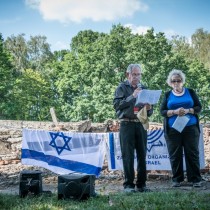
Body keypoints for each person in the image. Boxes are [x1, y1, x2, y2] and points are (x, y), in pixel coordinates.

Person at [113, 64, 153, 193]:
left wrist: (149, 108)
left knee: (142, 154)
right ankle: (129, 185)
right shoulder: (121, 88)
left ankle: (141, 185)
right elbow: (117, 105)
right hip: (126, 124)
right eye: (134, 74)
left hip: (141, 123)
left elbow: (150, 113)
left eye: (139, 74)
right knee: (128, 155)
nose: (137, 77)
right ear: (127, 74)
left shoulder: (144, 89)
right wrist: (133, 96)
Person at [160, 69, 202, 188]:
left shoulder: (190, 92)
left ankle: (195, 179)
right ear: (170, 82)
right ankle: (177, 179)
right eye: (174, 81)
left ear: (182, 81)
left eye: (178, 80)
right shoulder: (168, 95)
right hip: (173, 129)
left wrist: (188, 110)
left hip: (190, 128)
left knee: (192, 153)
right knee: (175, 154)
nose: (176, 82)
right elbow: (162, 111)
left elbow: (199, 107)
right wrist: (174, 112)